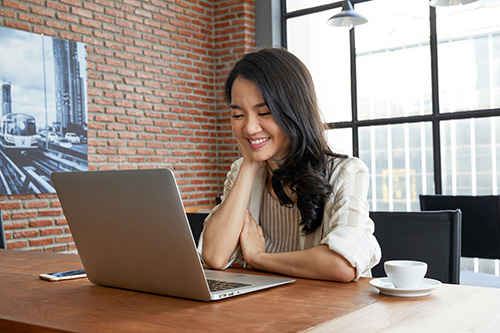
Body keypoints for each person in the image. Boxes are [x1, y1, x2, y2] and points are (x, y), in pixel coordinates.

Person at [199, 47, 380, 282]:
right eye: (237, 115)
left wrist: (258, 258)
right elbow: (214, 256)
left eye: (264, 112)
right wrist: (249, 165)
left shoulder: (346, 173)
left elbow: (341, 264)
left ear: (294, 112)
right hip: (267, 310)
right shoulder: (242, 172)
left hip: (333, 312)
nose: (249, 128)